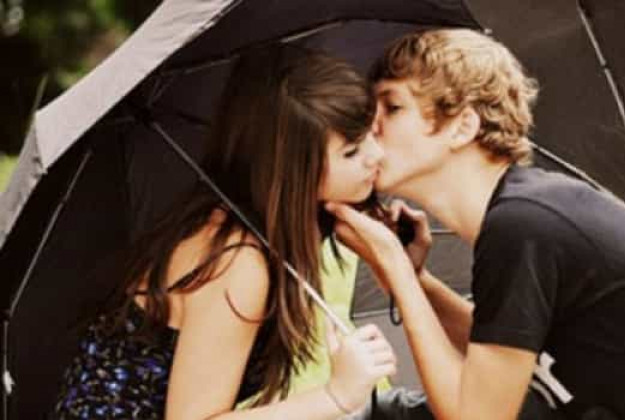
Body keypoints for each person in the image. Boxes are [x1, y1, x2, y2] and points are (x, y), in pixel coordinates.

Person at [326, 29, 625, 420]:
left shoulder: (524, 226)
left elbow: (478, 415)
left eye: (392, 107)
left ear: (462, 127)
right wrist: (417, 281)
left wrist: (398, 271)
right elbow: (505, 357)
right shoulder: (526, 211)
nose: (371, 127)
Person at [51, 44, 398, 420]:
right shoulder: (235, 262)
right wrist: (335, 396)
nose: (376, 155)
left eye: (371, 133)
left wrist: (403, 269)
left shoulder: (246, 229)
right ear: (290, 171)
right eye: (351, 152)